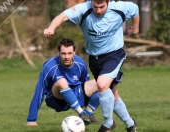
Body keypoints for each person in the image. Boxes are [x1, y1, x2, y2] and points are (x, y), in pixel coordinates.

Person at [43, 0, 140, 132]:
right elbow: (62, 16)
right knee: (111, 93)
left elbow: (135, 10)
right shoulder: (83, 10)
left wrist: (135, 30)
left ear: (108, 2)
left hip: (114, 55)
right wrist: (51, 28)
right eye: (96, 7)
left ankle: (108, 123)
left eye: (102, 7)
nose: (99, 10)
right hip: (94, 59)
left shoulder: (120, 8)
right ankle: (130, 124)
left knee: (101, 85)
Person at [26, 38, 101, 126]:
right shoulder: (49, 66)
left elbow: (86, 85)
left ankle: (88, 114)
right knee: (62, 81)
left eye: (69, 53)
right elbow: (40, 90)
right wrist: (31, 119)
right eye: (63, 53)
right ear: (59, 52)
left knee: (101, 83)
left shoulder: (81, 64)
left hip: (75, 94)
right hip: (56, 99)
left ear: (74, 52)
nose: (66, 57)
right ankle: (82, 114)